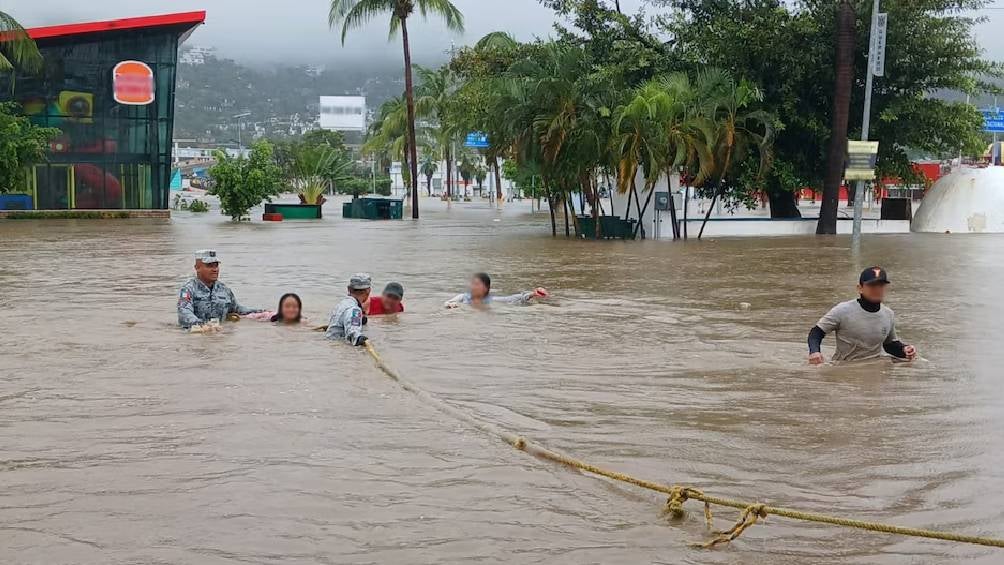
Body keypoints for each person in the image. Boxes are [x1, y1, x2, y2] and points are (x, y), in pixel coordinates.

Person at [808, 266, 917, 365]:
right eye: (872, 285)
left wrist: (904, 349)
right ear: (860, 288)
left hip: (875, 368)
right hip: (844, 367)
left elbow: (889, 345)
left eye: (881, 285)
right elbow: (816, 333)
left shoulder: (888, 314)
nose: (877, 290)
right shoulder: (842, 310)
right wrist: (815, 352)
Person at [177, 249, 263, 332]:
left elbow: (238, 309)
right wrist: (202, 325)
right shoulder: (188, 289)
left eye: (216, 265)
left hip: (220, 336)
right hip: (197, 337)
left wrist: (262, 312)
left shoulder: (224, 290)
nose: (215, 269)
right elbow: (184, 313)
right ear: (197, 268)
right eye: (209, 266)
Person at [445, 272, 549, 309]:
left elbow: (513, 298)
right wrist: (451, 305)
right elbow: (447, 303)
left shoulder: (492, 300)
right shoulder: (463, 297)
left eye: (477, 285)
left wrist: (532, 294)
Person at [326, 273, 371, 346]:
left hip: (330, 343)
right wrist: (360, 338)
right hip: (338, 346)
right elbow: (353, 333)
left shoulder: (341, 304)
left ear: (349, 289)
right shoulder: (354, 310)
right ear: (368, 291)